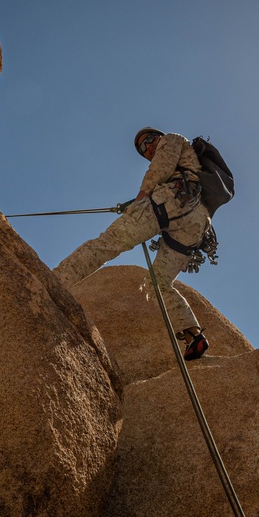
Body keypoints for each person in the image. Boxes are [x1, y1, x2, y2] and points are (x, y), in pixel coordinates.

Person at [53, 127, 211, 360]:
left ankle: (56, 281)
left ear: (159, 135)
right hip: (195, 222)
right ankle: (194, 336)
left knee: (109, 242)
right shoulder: (185, 158)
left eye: (148, 140)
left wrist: (140, 200)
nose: (146, 147)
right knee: (157, 283)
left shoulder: (173, 139)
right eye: (141, 148)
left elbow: (161, 168)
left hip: (174, 199)